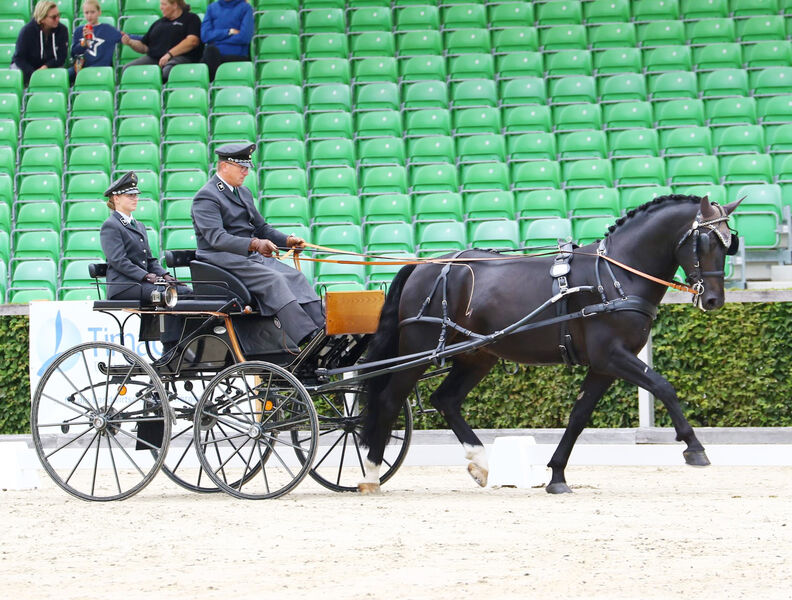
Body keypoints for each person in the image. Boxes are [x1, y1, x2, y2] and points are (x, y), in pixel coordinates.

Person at [191, 143, 324, 347]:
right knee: (274, 280)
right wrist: (254, 244)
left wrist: (287, 241)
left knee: (295, 277)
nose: (246, 172)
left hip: (248, 256)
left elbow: (261, 228)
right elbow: (216, 238)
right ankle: (308, 337)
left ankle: (324, 327)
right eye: (241, 167)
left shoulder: (243, 192)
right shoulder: (206, 197)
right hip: (221, 259)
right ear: (225, 166)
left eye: (247, 167)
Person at [121, 0, 202, 82]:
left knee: (167, 71)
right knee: (128, 69)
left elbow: (192, 41)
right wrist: (130, 42)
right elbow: (145, 47)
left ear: (174, 5)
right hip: (155, 59)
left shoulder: (191, 19)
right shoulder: (158, 23)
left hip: (181, 57)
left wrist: (169, 54)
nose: (160, 7)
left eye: (164, 4)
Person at [11, 1, 68, 85]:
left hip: (50, 66)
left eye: (58, 15)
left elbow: (61, 57)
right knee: (15, 70)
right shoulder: (27, 31)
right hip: (28, 67)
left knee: (61, 72)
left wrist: (46, 66)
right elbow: (18, 58)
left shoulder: (62, 30)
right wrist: (33, 73)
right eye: (53, 17)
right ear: (42, 18)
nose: (57, 19)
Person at [69, 0, 126, 82]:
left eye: (92, 12)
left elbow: (127, 37)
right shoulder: (79, 30)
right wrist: (84, 42)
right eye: (86, 13)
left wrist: (145, 39)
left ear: (99, 12)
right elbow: (73, 53)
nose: (89, 15)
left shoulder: (107, 29)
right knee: (65, 75)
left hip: (102, 67)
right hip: (81, 67)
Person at [200, 0, 253, 81]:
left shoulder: (246, 8)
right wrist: (228, 32)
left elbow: (245, 37)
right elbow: (205, 36)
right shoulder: (212, 8)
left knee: (209, 54)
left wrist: (216, 40)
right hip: (213, 54)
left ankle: (215, 83)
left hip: (236, 55)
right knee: (210, 52)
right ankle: (215, 84)